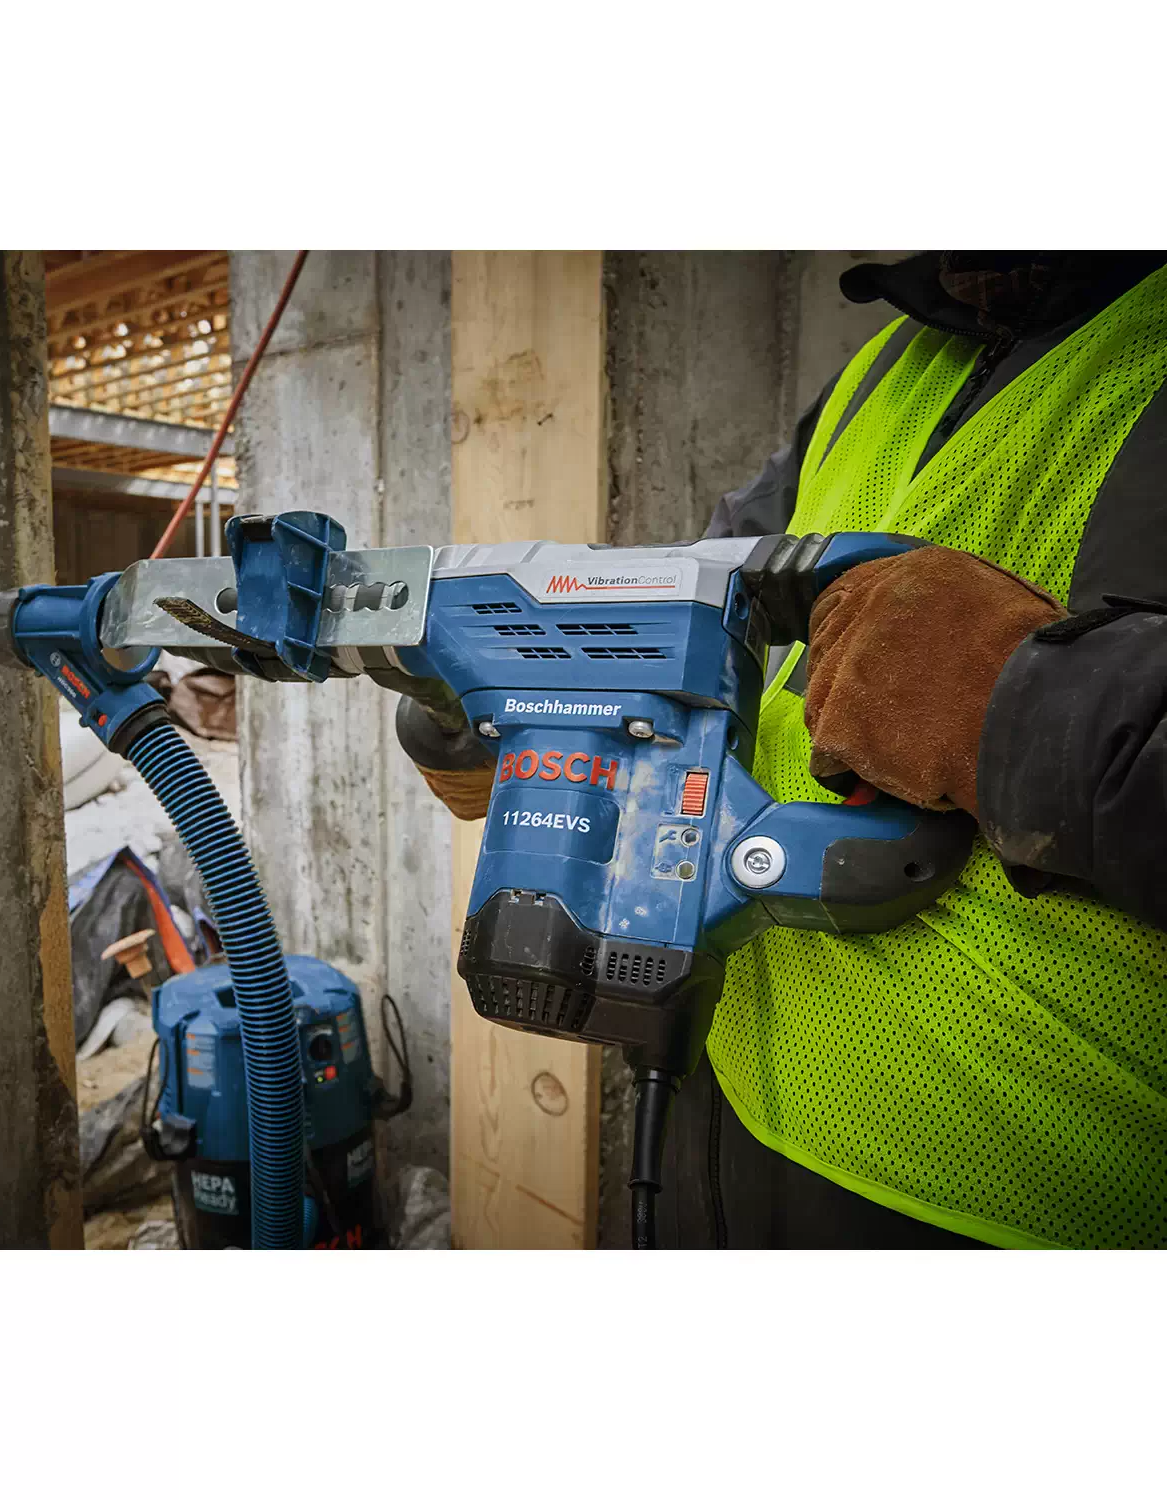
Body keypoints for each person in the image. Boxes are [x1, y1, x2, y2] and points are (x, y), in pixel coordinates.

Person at [400, 252, 1167, 1249]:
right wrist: (501, 696)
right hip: (723, 1131)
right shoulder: (886, 366)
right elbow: (691, 601)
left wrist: (1022, 706)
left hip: (1040, 1213)